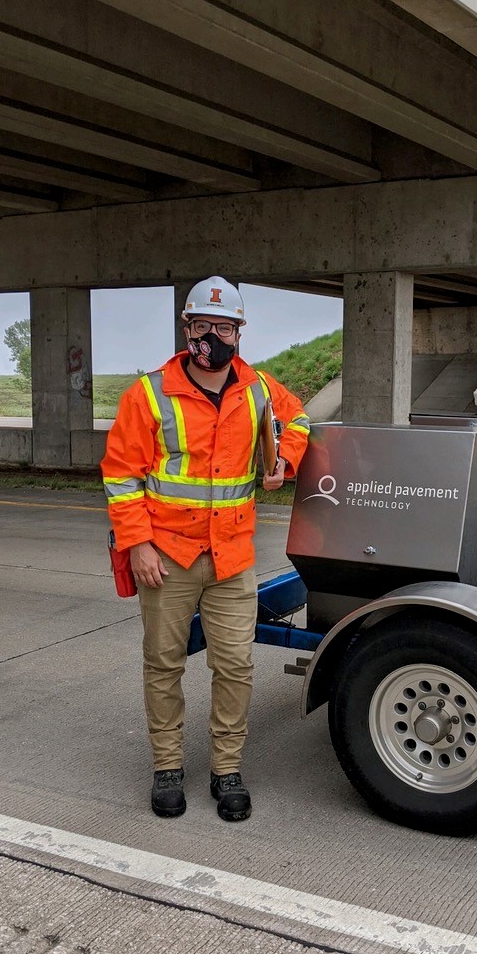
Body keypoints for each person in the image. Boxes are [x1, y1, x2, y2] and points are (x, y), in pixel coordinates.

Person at [101, 276, 310, 822]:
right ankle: (168, 768)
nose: (212, 336)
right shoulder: (148, 393)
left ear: (239, 333)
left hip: (231, 557)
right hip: (166, 557)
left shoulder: (260, 389)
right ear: (186, 328)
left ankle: (226, 769)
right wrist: (138, 544)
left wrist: (282, 459)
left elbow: (301, 418)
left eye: (224, 327)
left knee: (235, 666)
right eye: (203, 326)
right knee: (164, 664)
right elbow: (122, 476)